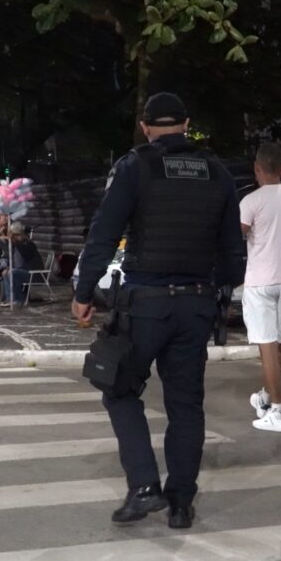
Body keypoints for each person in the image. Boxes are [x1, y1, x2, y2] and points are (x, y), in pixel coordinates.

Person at [73, 92, 244, 529]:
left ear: (146, 126)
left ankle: (145, 486)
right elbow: (232, 253)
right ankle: (181, 504)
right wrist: (217, 296)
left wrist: (85, 289)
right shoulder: (218, 173)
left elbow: (104, 232)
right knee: (186, 406)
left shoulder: (135, 167)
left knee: (119, 389)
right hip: (197, 305)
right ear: (186, 124)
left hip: (145, 306)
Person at [240, 142, 281, 433]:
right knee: (277, 345)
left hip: (261, 283)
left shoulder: (250, 202)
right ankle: (267, 398)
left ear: (257, 169)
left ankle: (279, 412)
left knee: (266, 348)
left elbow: (237, 235)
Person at [3, 221, 43, 306]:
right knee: (6, 273)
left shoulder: (28, 244)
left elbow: (26, 255)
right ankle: (10, 298)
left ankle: (19, 299)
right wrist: (8, 267)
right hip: (24, 271)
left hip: (34, 274)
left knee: (13, 273)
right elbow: (12, 258)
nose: (16, 238)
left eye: (16, 235)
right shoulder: (17, 245)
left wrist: (15, 243)